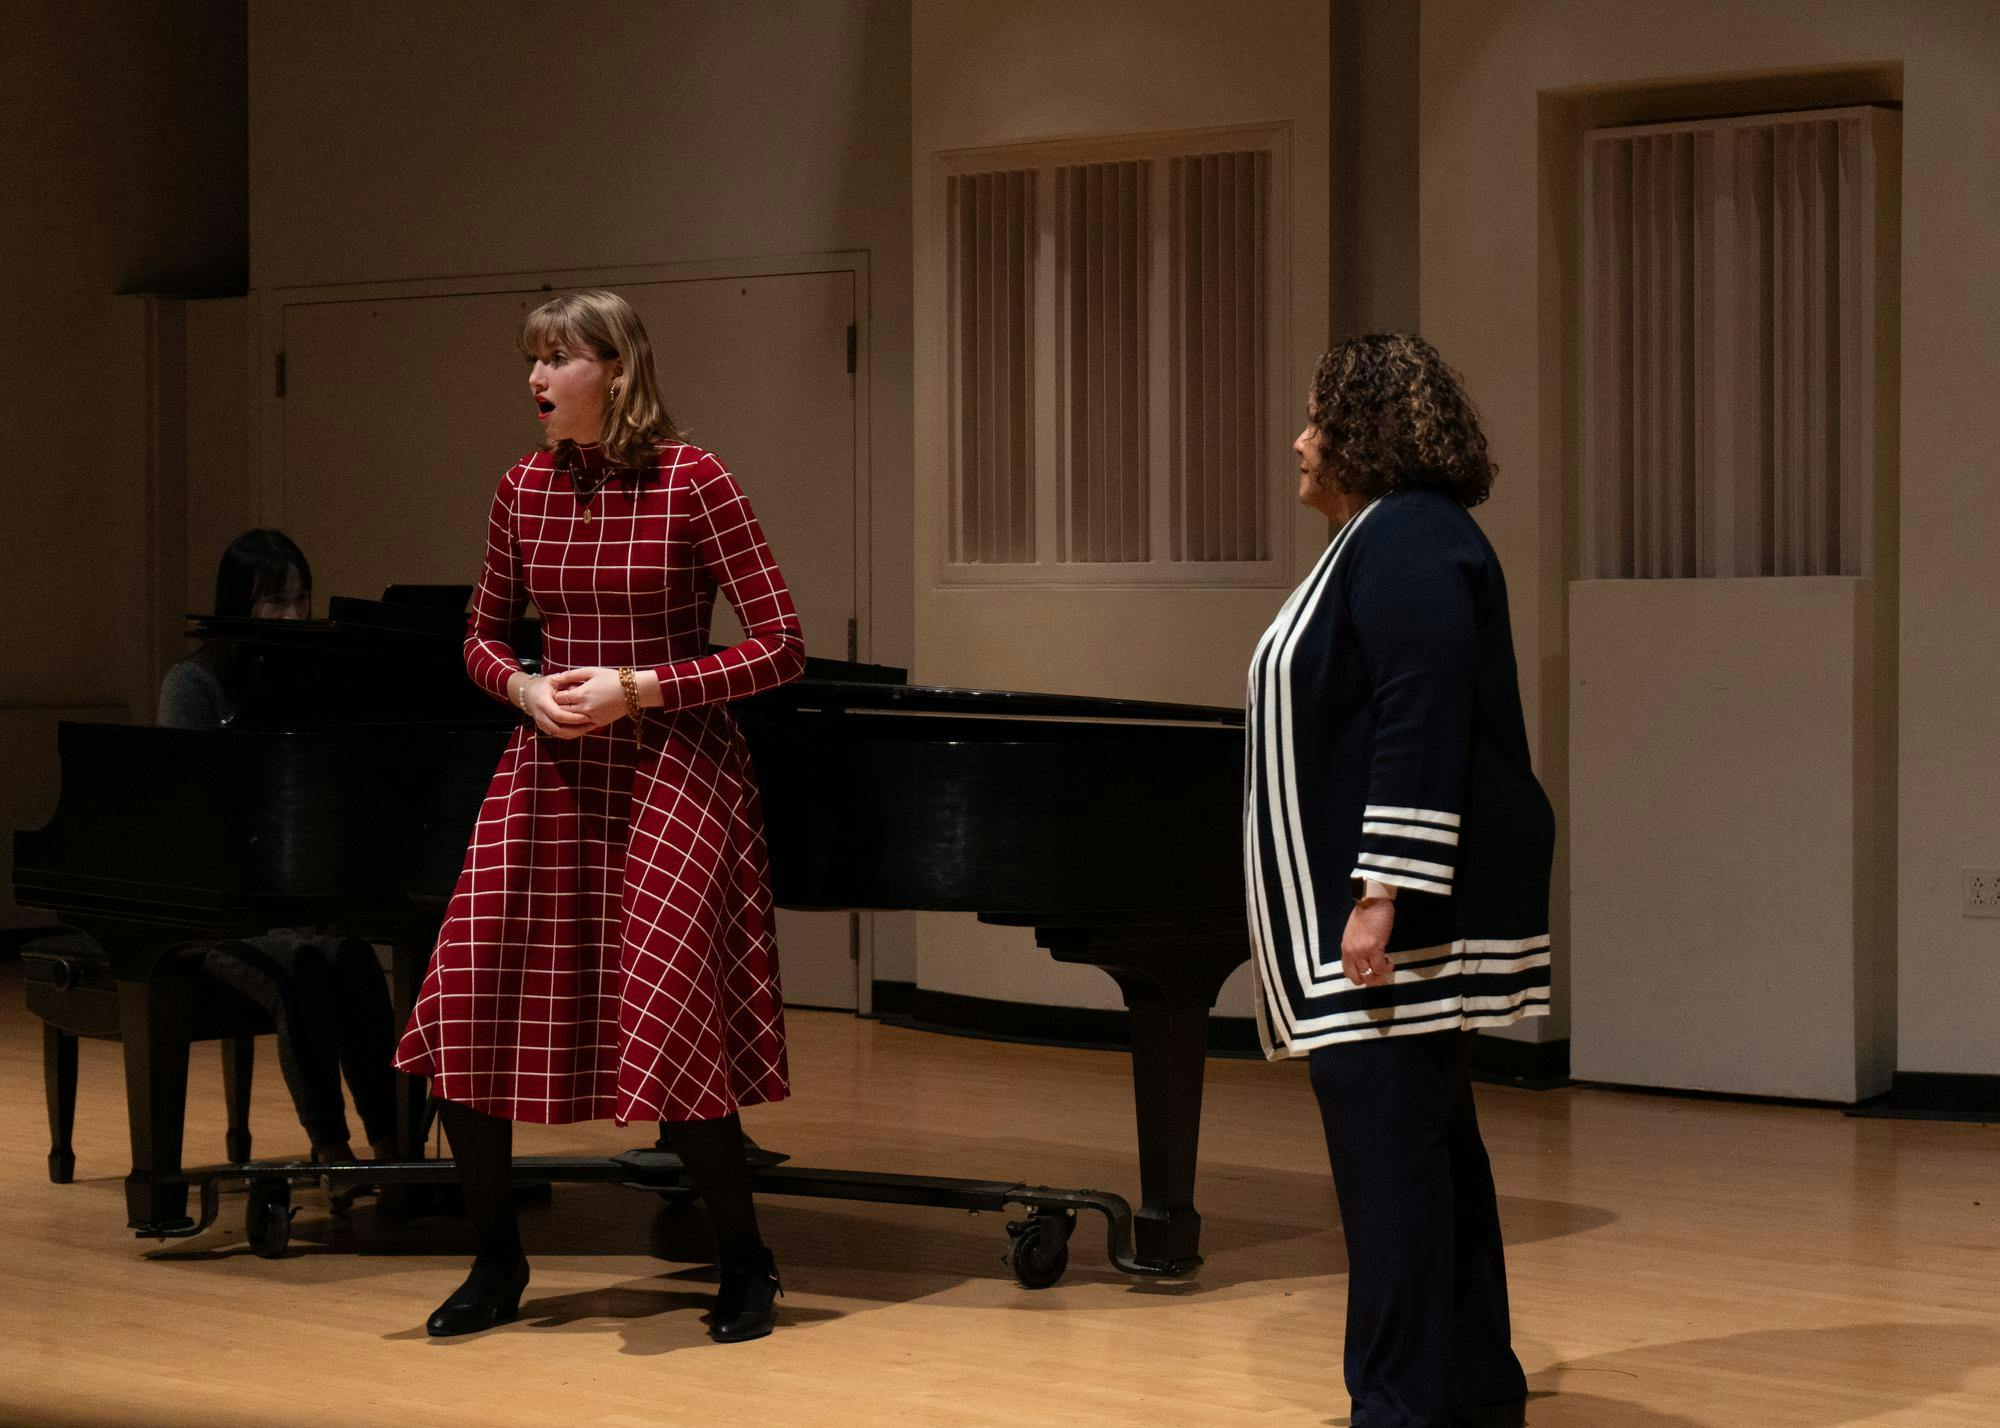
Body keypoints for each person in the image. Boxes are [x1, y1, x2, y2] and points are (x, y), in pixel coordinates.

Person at [393, 290, 805, 1343]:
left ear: (616, 370)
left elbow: (780, 647)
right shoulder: (522, 487)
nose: (536, 378)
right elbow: (480, 636)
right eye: (531, 359)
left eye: (558, 358)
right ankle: (496, 1262)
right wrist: (524, 687)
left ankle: (745, 1262)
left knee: (670, 1017)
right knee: (468, 1001)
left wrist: (643, 687)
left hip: (675, 767)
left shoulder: (694, 478)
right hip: (551, 771)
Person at [1243, 335, 1554, 1428]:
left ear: (1364, 434)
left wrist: (1381, 892)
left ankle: (1400, 1408)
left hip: (1406, 919)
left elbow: (1418, 717)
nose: (1299, 441)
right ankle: (1468, 1387)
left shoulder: (1409, 537)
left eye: (1317, 420)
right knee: (1426, 1157)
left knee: (1393, 1177)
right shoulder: (1391, 536)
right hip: (1406, 913)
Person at [159, 530, 401, 1202]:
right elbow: (192, 813)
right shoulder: (194, 684)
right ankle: (331, 1148)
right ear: (238, 604)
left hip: (285, 905)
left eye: (301, 599)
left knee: (355, 959)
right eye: (275, 601)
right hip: (213, 912)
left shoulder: (309, 682)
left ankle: (392, 1150)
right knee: (302, 970)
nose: (293, 616)